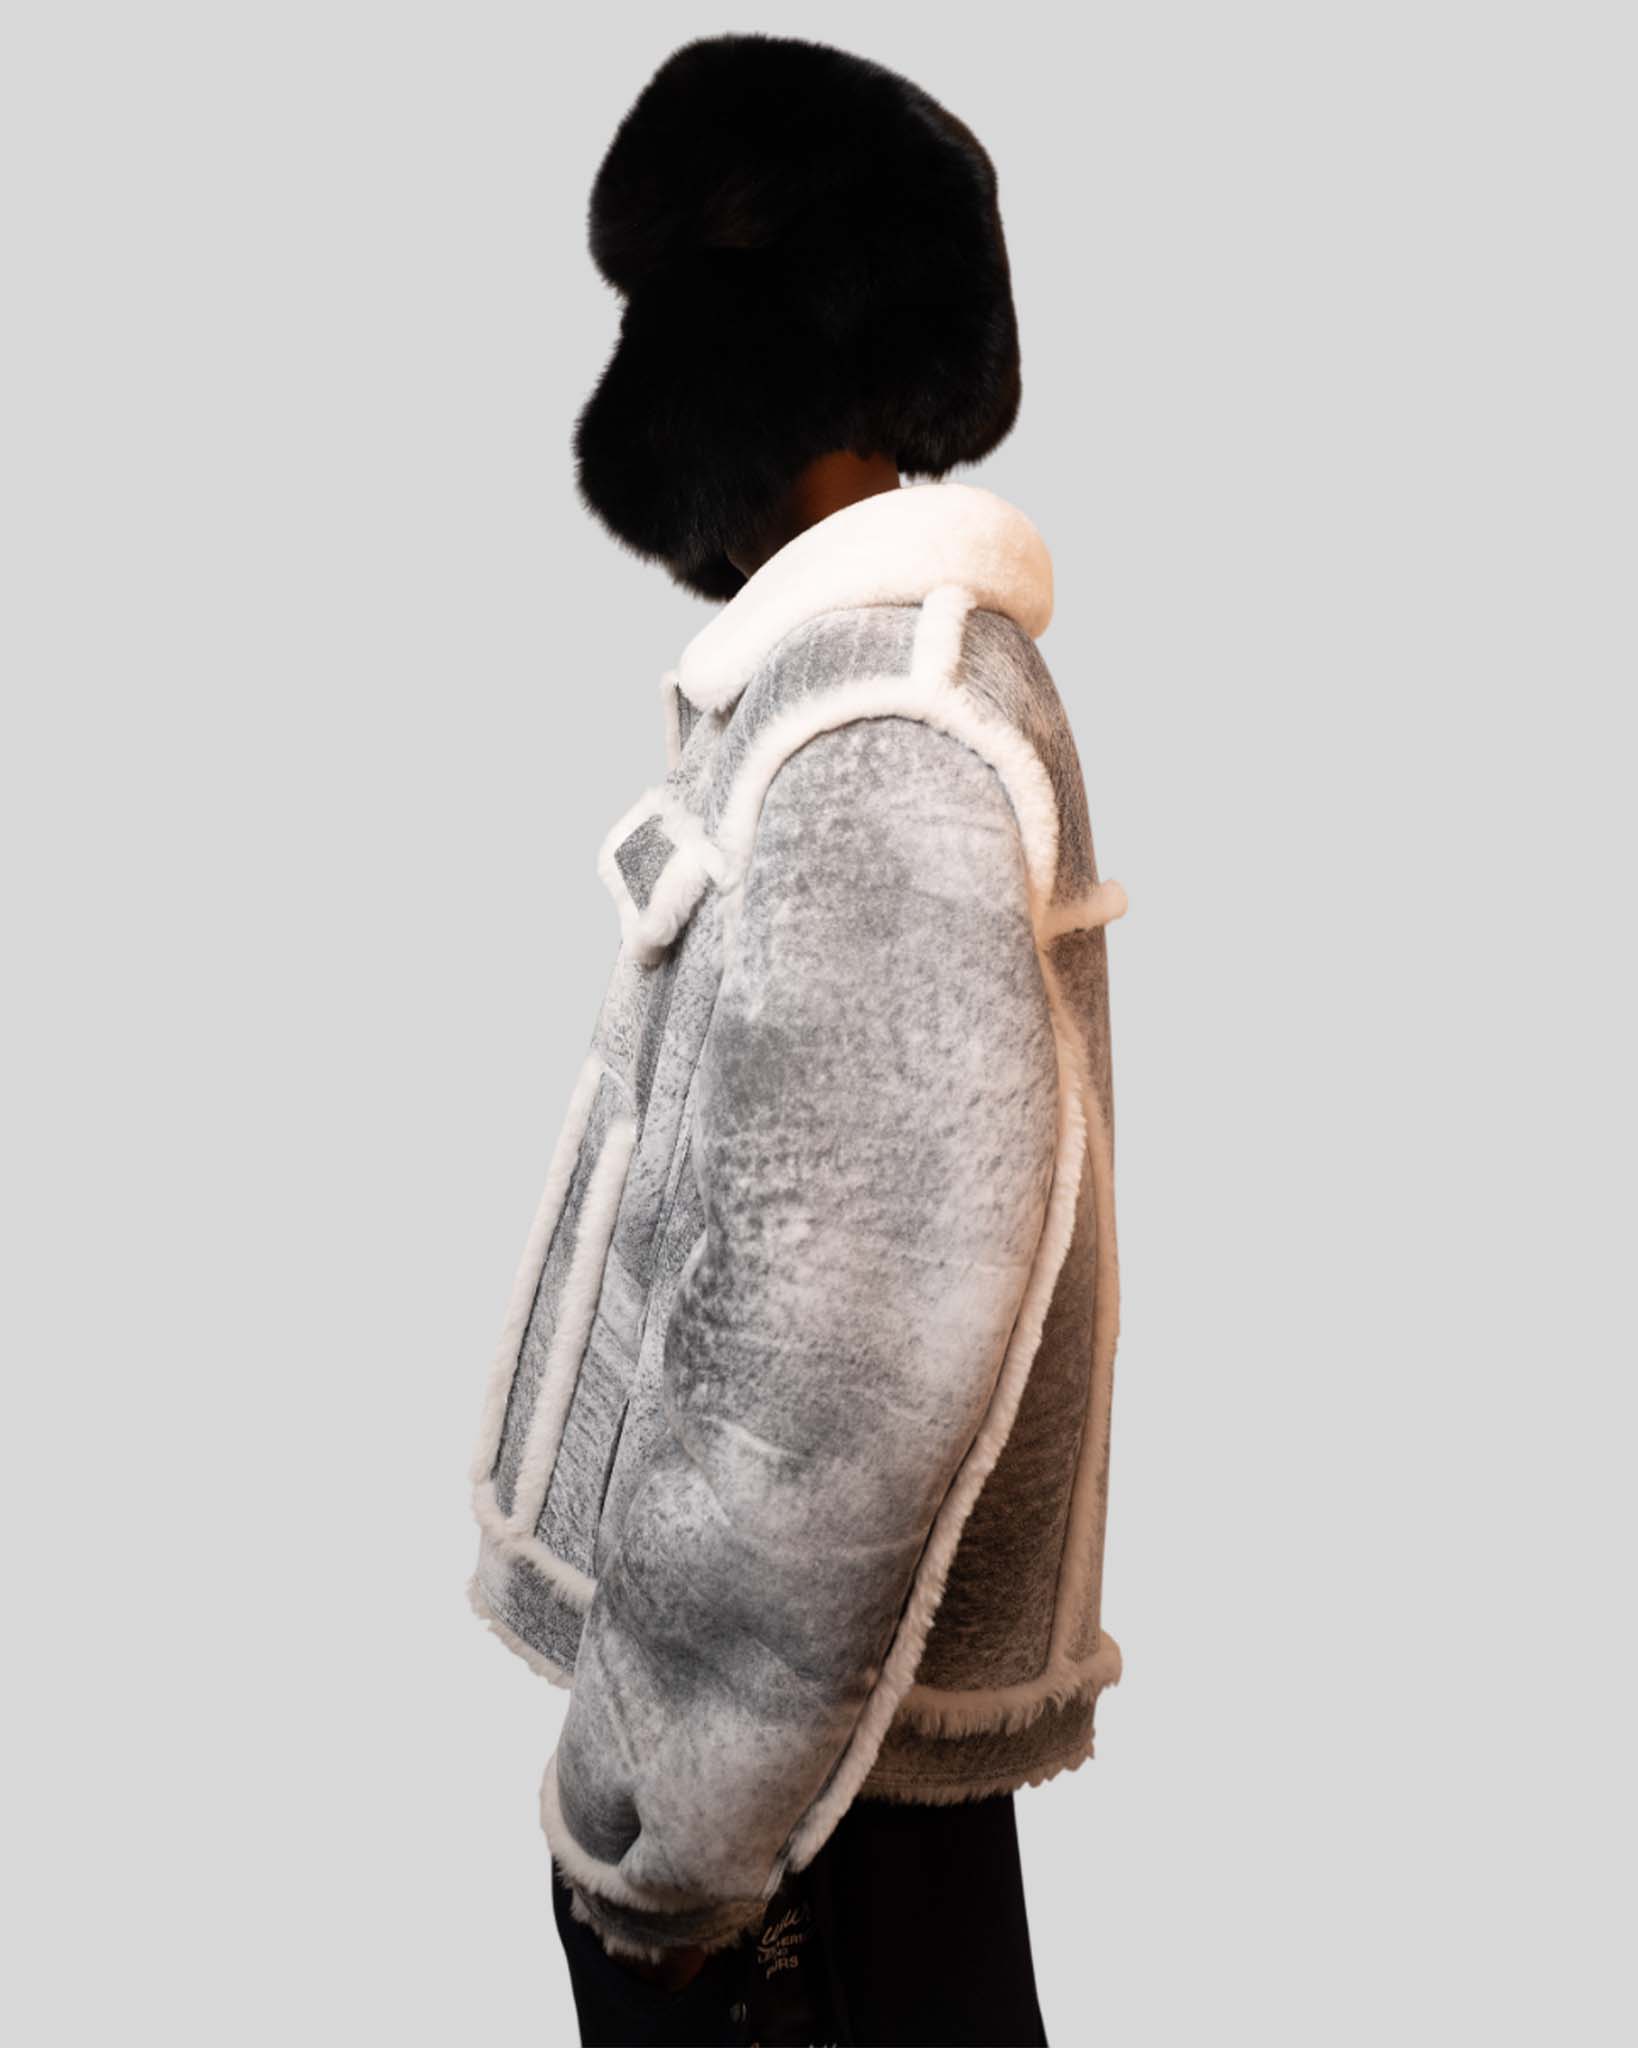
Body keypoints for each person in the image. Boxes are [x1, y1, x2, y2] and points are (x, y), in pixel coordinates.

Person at [466, 32, 1127, 2046]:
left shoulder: (875, 737)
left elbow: (828, 1372)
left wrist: (668, 1839)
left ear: (732, 356)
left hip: (784, 1836)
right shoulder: (855, 690)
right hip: (810, 1793)